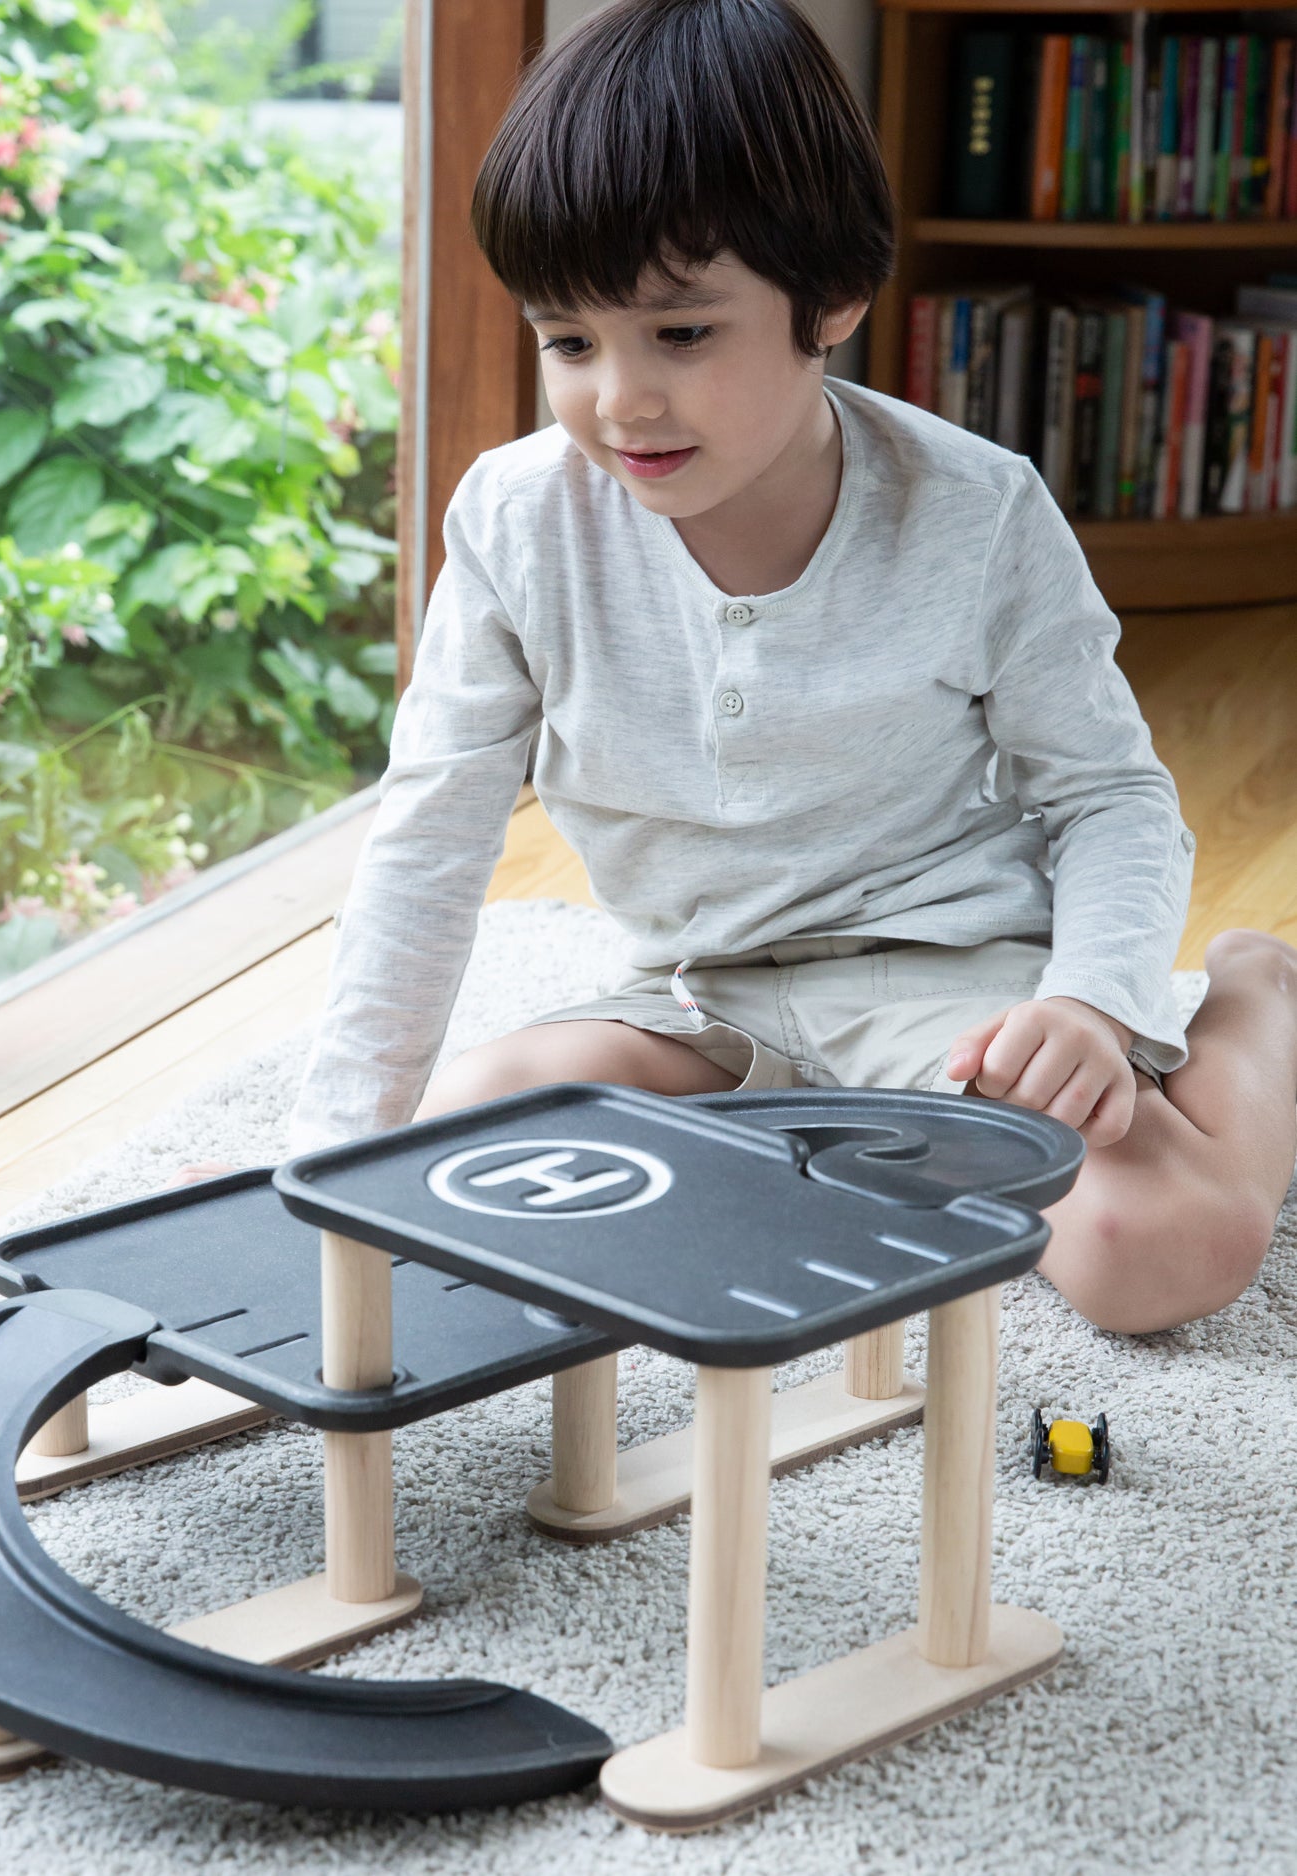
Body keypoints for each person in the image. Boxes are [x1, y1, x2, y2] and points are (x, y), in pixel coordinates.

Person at [178, 0, 1297, 1335]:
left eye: (682, 335)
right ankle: (796, 1133)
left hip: (936, 980)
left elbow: (1107, 797)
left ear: (825, 301)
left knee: (1157, 1253)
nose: (619, 400)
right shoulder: (512, 518)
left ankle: (1251, 992)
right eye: (567, 341)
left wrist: (1093, 1004)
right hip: (689, 994)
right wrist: (326, 1155)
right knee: (451, 1149)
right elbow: (428, 838)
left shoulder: (974, 510)